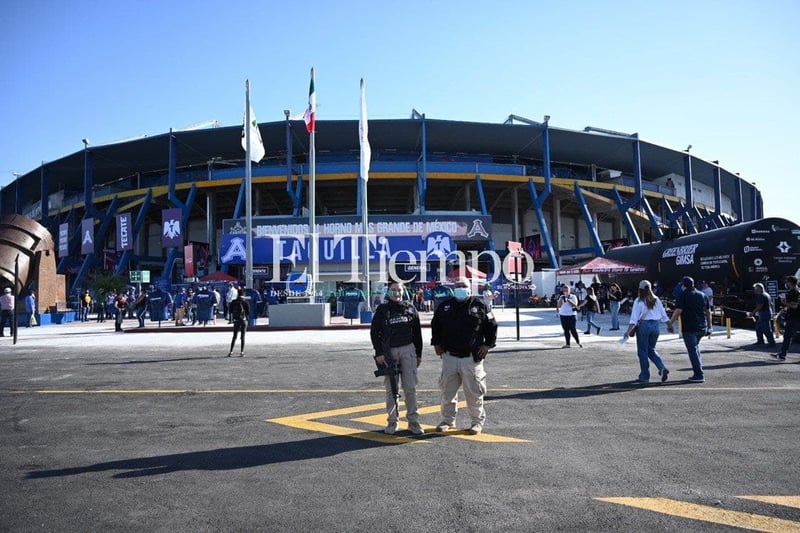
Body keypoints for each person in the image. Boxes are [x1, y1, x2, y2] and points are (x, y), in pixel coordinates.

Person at [431, 277, 497, 435]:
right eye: (458, 286)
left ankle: (476, 422)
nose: (461, 288)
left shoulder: (480, 305)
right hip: (449, 357)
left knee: (474, 393)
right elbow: (436, 325)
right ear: (453, 288)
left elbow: (492, 325)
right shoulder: (445, 306)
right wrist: (436, 344)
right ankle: (447, 420)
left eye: (464, 286)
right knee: (448, 391)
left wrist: (488, 345)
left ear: (470, 288)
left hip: (471, 358)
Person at [370, 281, 424, 435]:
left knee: (410, 388)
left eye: (399, 290)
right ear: (388, 291)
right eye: (393, 290)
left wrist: (419, 354)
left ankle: (413, 422)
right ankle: (392, 421)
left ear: (403, 291)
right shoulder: (382, 310)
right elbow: (374, 332)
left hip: (408, 350)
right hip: (389, 353)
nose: (396, 293)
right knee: (391, 389)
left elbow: (417, 333)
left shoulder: (410, 308)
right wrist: (379, 353)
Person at [667, 276, 712, 383]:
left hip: (689, 327)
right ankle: (699, 371)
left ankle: (699, 374)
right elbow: (708, 312)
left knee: (692, 351)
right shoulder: (702, 295)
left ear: (683, 285)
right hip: (702, 327)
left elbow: (678, 310)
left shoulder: (682, 295)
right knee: (695, 349)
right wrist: (710, 327)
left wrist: (670, 323)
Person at [624, 280, 670, 383]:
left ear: (640, 289)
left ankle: (645, 376)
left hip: (644, 326)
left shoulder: (639, 300)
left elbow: (634, 319)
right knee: (651, 350)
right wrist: (669, 325)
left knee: (643, 352)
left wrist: (628, 331)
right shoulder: (656, 299)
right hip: (655, 326)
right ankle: (661, 367)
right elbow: (664, 315)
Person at [773, 275, 799, 361]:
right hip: (794, 317)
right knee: (788, 336)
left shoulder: (794, 292)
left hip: (794, 317)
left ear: (790, 283)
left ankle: (782, 355)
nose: (786, 283)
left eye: (787, 282)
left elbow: (795, 306)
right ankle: (782, 354)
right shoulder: (796, 291)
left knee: (787, 336)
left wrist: (784, 302)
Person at [749, 283, 775, 348]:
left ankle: (772, 343)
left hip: (764, 313)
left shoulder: (761, 295)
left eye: (755, 288)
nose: (755, 290)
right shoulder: (767, 294)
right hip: (766, 313)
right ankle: (760, 340)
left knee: (766, 329)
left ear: (759, 289)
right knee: (758, 327)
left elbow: (760, 306)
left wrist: (753, 313)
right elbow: (771, 304)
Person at [228, 289, 249, 357]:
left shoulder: (234, 302)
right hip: (243, 320)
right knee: (242, 337)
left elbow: (230, 311)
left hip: (236, 320)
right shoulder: (245, 302)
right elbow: (248, 312)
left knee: (234, 336)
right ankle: (242, 352)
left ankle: (231, 351)